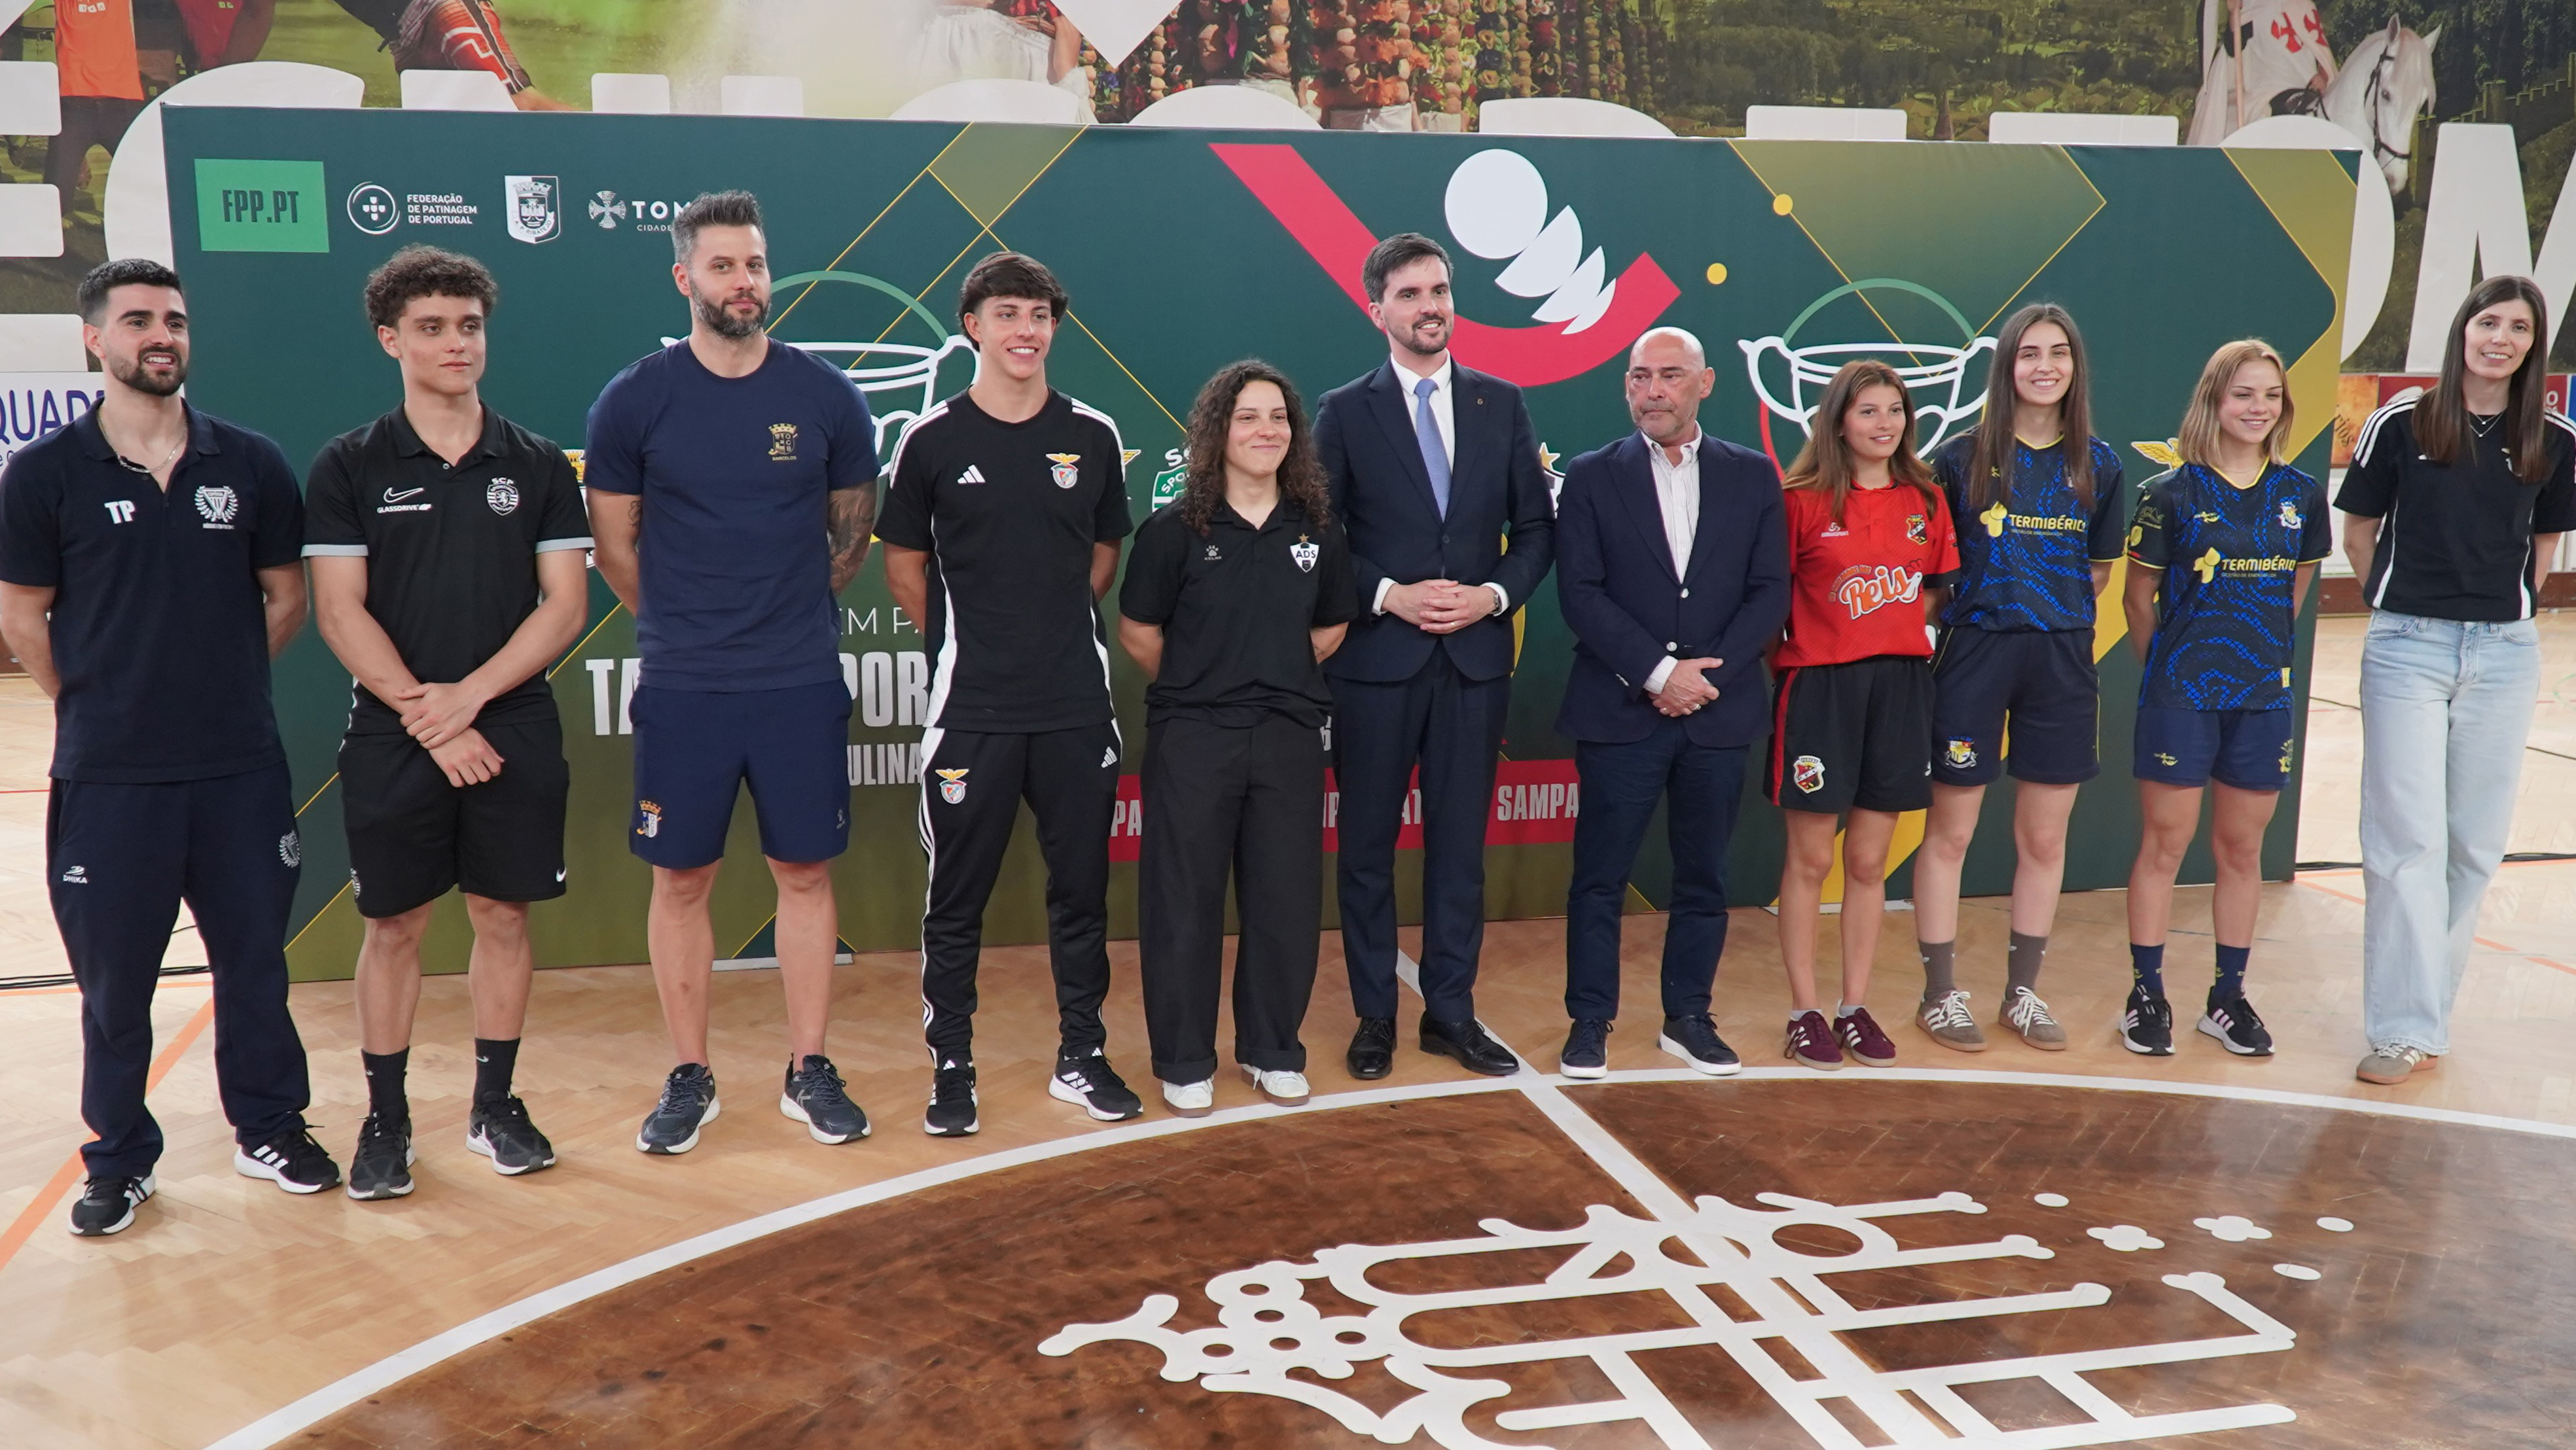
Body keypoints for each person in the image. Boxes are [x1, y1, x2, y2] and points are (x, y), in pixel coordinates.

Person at [0, 258, 336, 1235]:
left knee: (255, 967)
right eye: (139, 319)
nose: (162, 336)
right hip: (109, 780)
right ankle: (119, 1158)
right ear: (94, 340)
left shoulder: (252, 462)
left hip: (238, 769)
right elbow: (24, 621)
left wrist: (214, 681)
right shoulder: (47, 473)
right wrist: (102, 702)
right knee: (116, 989)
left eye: (175, 321)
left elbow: (285, 600)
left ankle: (269, 1125)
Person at [585, 191, 880, 1156]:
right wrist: (688, 626)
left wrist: (777, 619)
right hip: (685, 685)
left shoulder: (825, 395)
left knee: (804, 871)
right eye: (722, 266)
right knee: (683, 881)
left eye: (754, 264)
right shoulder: (636, 398)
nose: (744, 282)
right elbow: (617, 553)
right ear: (685, 279)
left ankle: (807, 1068)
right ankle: (690, 1074)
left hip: (796, 678)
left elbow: (850, 538)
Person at [303, 246, 590, 1200]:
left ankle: (494, 1106)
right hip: (397, 731)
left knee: (502, 916)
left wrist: (469, 701)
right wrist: (433, 719)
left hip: (511, 722)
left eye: (469, 325)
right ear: (391, 339)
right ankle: (387, 1123)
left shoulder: (540, 463)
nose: (455, 342)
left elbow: (562, 608)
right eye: (431, 327)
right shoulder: (349, 464)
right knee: (393, 924)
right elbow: (341, 612)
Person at [877, 251, 1143, 1136]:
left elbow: (1101, 560)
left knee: (1080, 895)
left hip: (1074, 708)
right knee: (956, 899)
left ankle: (1082, 1055)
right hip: (972, 713)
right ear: (973, 328)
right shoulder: (932, 440)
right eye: (1007, 314)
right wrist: (971, 641)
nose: (1026, 330)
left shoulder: (1096, 435)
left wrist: (1050, 625)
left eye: (1039, 314)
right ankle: (953, 1067)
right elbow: (906, 570)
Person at [1314, 231, 1554, 1081]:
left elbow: (1535, 530)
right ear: (1376, 309)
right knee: (1369, 849)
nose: (1431, 308)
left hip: (1474, 667)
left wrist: (1492, 597)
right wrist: (1389, 596)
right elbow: (1324, 534)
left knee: (1460, 851)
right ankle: (1375, 1016)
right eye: (1411, 295)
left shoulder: (1503, 403)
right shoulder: (1344, 411)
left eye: (1441, 291)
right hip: (1377, 664)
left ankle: (1450, 1013)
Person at [2338, 276, 2573, 1086]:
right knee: (2406, 839)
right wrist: (2395, 609)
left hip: (2505, 655)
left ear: (2532, 342)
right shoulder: (2401, 422)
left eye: (2518, 326)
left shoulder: (2555, 436)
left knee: (2471, 844)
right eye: (2488, 321)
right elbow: (2360, 533)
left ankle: (2426, 1008)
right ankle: (2403, 1026)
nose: (2500, 337)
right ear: (2463, 329)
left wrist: (2507, 616)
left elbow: (2544, 549)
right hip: (2407, 648)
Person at [1117, 361, 1356, 1115]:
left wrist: (1271, 672)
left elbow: (1330, 626)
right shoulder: (1172, 530)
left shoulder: (1317, 528)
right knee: (1183, 903)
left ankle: (1271, 1048)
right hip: (1193, 737)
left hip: (1288, 736)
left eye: (1278, 417)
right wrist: (1208, 680)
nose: (1266, 430)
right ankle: (1185, 1059)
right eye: (1248, 417)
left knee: (1285, 900)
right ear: (1218, 431)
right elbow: (1140, 631)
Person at [1551, 327, 1789, 1079]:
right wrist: (1659, 673)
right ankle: (1590, 1020)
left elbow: (1771, 590)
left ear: (1705, 382)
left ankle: (1688, 1016)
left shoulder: (1754, 477)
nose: (1652, 390)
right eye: (1639, 377)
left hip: (1719, 712)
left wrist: (1704, 677)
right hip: (1621, 712)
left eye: (1669, 376)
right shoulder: (1590, 477)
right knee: (1598, 876)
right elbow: (1580, 594)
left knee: (1703, 875)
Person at [1912, 304, 2126, 1053]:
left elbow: (2098, 573)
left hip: (2062, 658)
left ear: (2075, 366)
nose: (2044, 366)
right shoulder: (1961, 457)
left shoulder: (2099, 463)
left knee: (2043, 835)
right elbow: (1936, 570)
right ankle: (1940, 994)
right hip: (1975, 653)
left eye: (2058, 353)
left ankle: (2022, 993)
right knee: (1953, 830)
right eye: (2028, 353)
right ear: (2005, 367)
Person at [2122, 338, 2330, 1058]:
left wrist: (2255, 661)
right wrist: (2175, 673)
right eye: (2244, 394)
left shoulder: (2301, 495)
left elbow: (2294, 596)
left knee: (2242, 849)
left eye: (2270, 396)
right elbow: (2138, 599)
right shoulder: (2169, 494)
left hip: (2262, 699)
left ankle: (2226, 997)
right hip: (2181, 695)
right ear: (2214, 400)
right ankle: (2147, 994)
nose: (2258, 408)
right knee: (2165, 845)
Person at [1768, 360, 1958, 1072]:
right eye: (1869, 410)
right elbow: (1770, 604)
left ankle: (1853, 1004)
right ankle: (1804, 1009)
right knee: (1812, 857)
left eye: (1896, 410)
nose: (1885, 424)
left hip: (1901, 687)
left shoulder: (1926, 501)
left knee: (1871, 859)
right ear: (1838, 419)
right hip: (1819, 689)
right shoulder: (1802, 501)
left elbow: (1934, 595)